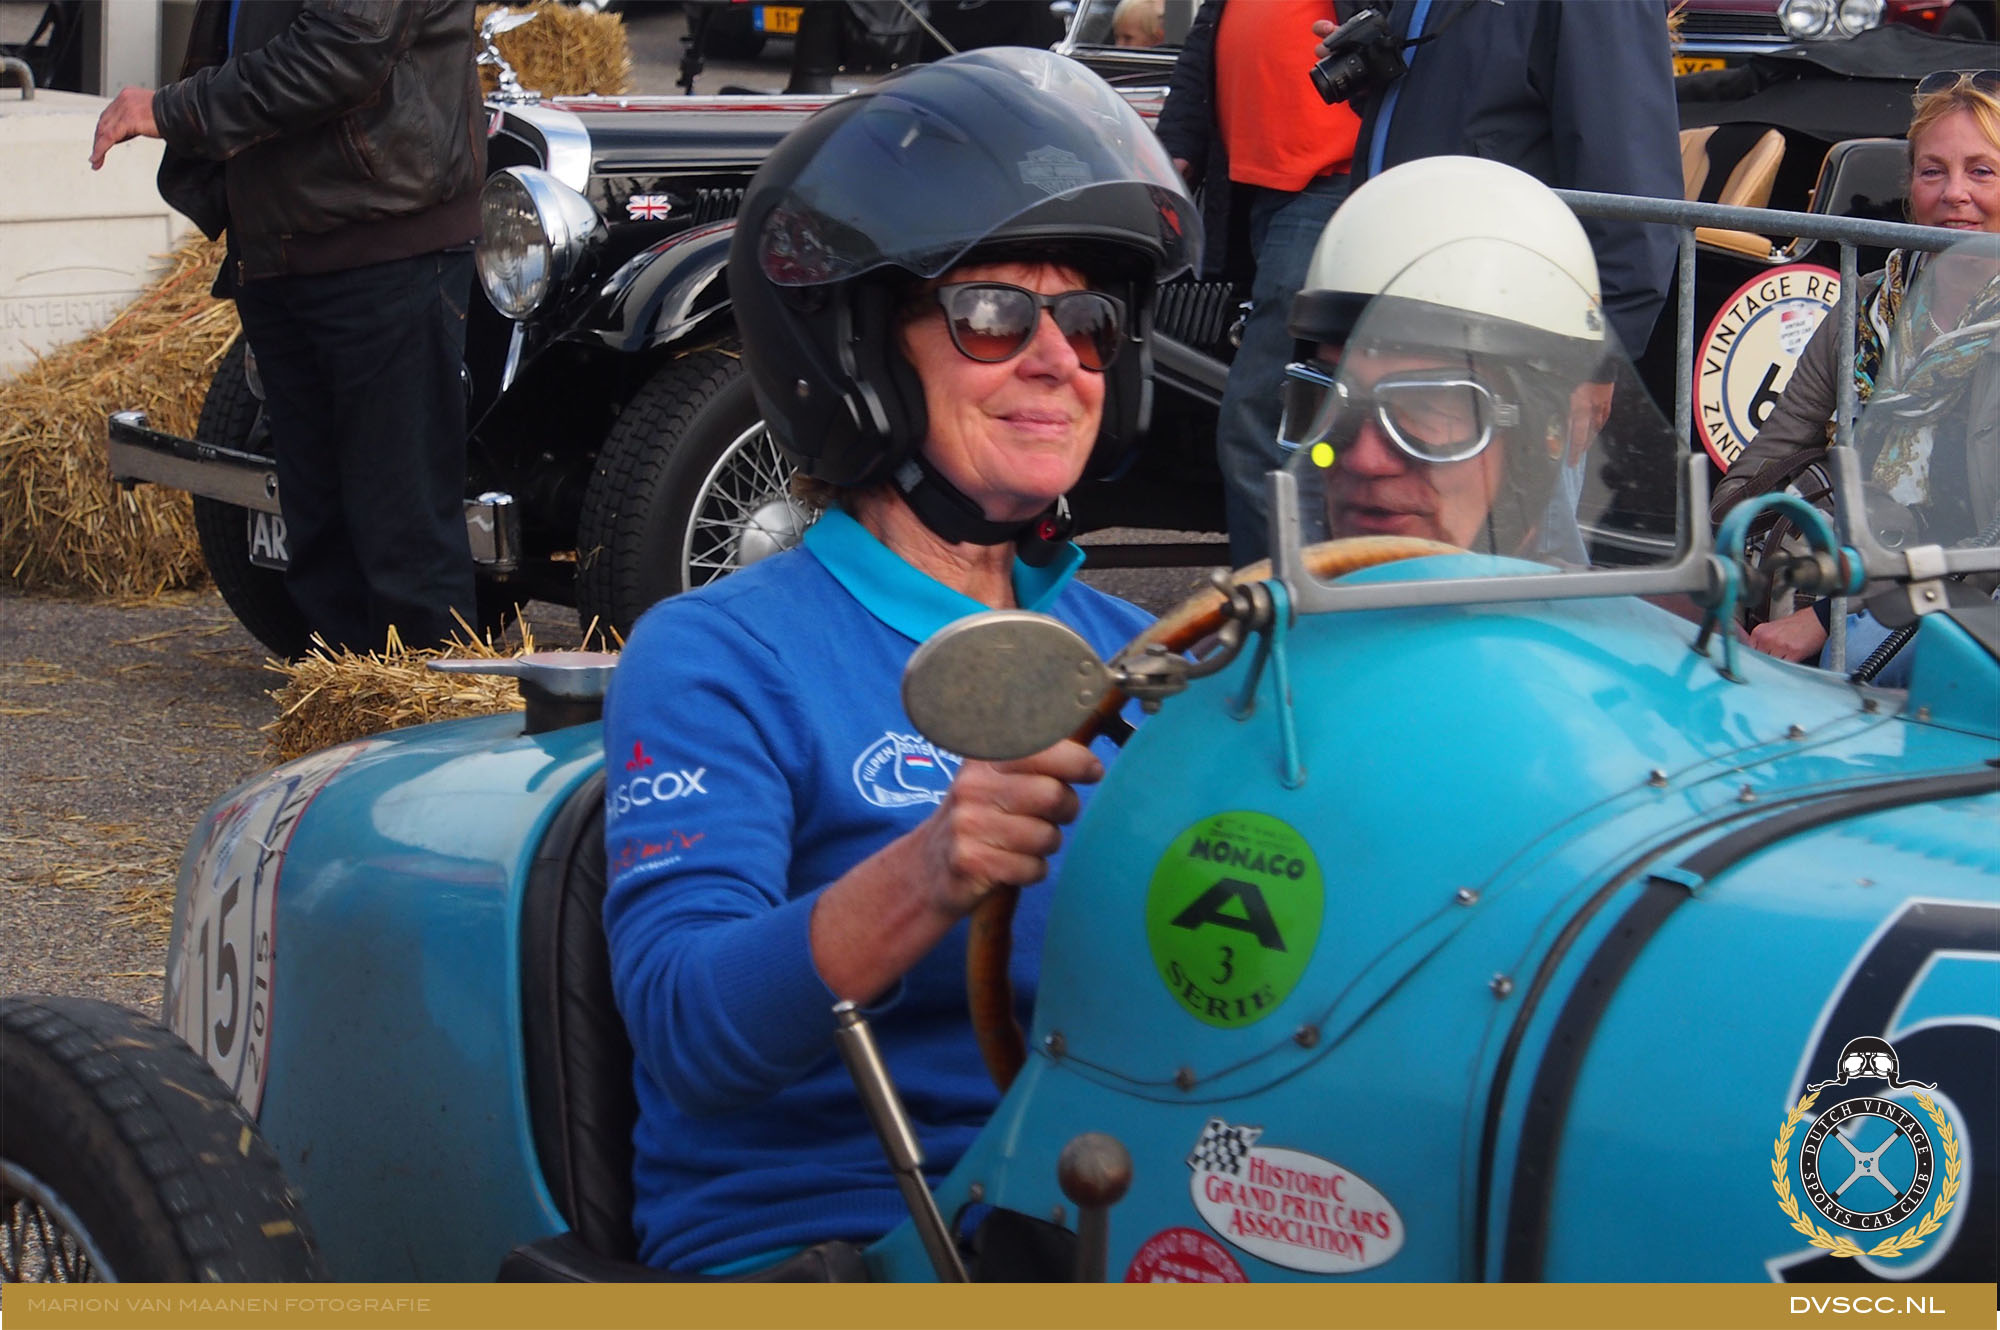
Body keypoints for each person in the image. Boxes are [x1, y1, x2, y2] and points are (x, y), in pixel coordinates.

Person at [600, 48, 1197, 1275]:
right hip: (839, 1235)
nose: (1054, 357)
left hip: (1109, 1214)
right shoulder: (722, 653)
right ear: (860, 353)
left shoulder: (1142, 658)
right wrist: (930, 868)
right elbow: (684, 1026)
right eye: (992, 314)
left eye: (1087, 321)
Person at [89, 2, 483, 653]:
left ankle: (423, 712)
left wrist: (173, 109)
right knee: (321, 535)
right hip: (287, 248)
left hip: (381, 246)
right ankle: (344, 709)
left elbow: (341, 50)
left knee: (402, 537)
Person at [1306, 0, 1682, 565]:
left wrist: (1596, 359)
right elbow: (1475, 115)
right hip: (1411, 325)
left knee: (1520, 576)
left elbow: (1632, 187)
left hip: (1513, 348)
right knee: (1399, 569)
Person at [1712, 70, 2000, 680]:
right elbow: (1764, 463)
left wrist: (1827, 621)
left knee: (1854, 657)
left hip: (1967, 597)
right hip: (1852, 564)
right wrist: (1730, 578)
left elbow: (1988, 548)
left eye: (1982, 171)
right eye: (1933, 171)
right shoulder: (1865, 303)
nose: (1954, 193)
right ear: (1910, 184)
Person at [1279, 155, 1611, 559]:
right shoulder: (1262, 601)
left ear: (1536, 442)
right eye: (1332, 400)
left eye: (1428, 408)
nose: (1365, 460)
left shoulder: (1596, 608)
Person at [1156, 0, 1360, 567]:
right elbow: (1209, 36)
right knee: (1287, 423)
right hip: (1265, 188)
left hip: (1335, 186)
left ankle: (1286, 608)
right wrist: (1176, 146)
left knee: (1260, 429)